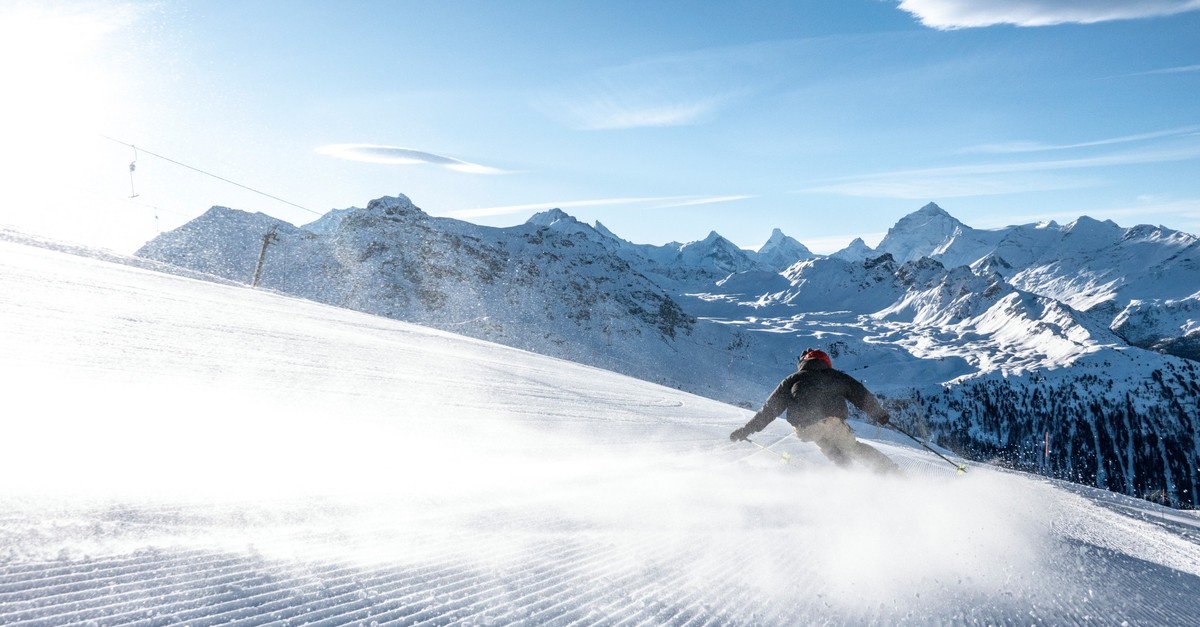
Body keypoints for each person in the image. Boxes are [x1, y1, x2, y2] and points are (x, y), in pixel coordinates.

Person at [730, 348, 899, 473]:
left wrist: (746, 430)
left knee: (826, 444)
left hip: (805, 429)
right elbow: (860, 394)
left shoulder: (791, 380)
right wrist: (879, 415)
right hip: (832, 423)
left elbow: (769, 410)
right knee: (853, 447)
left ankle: (851, 474)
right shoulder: (835, 376)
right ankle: (890, 472)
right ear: (826, 362)